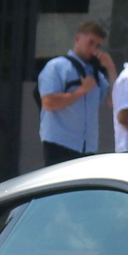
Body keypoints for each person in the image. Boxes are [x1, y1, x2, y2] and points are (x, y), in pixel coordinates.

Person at [37, 20, 112, 164]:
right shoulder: (56, 67)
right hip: (60, 143)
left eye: (97, 45)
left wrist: (110, 68)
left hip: (87, 147)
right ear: (78, 39)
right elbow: (48, 102)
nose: (93, 49)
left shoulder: (94, 72)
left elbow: (112, 101)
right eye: (90, 42)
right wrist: (81, 91)